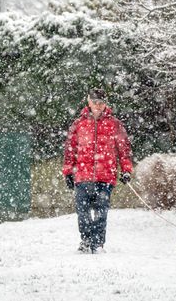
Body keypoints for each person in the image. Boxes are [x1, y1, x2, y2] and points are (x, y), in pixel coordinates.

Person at [62, 88, 133, 254]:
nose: (98, 106)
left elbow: (124, 150)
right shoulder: (78, 123)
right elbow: (70, 150)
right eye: (95, 102)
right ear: (88, 102)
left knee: (101, 213)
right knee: (83, 213)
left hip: (105, 176)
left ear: (105, 104)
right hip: (82, 176)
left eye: (101, 103)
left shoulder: (115, 124)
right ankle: (86, 241)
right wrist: (67, 172)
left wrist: (126, 170)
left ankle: (98, 244)